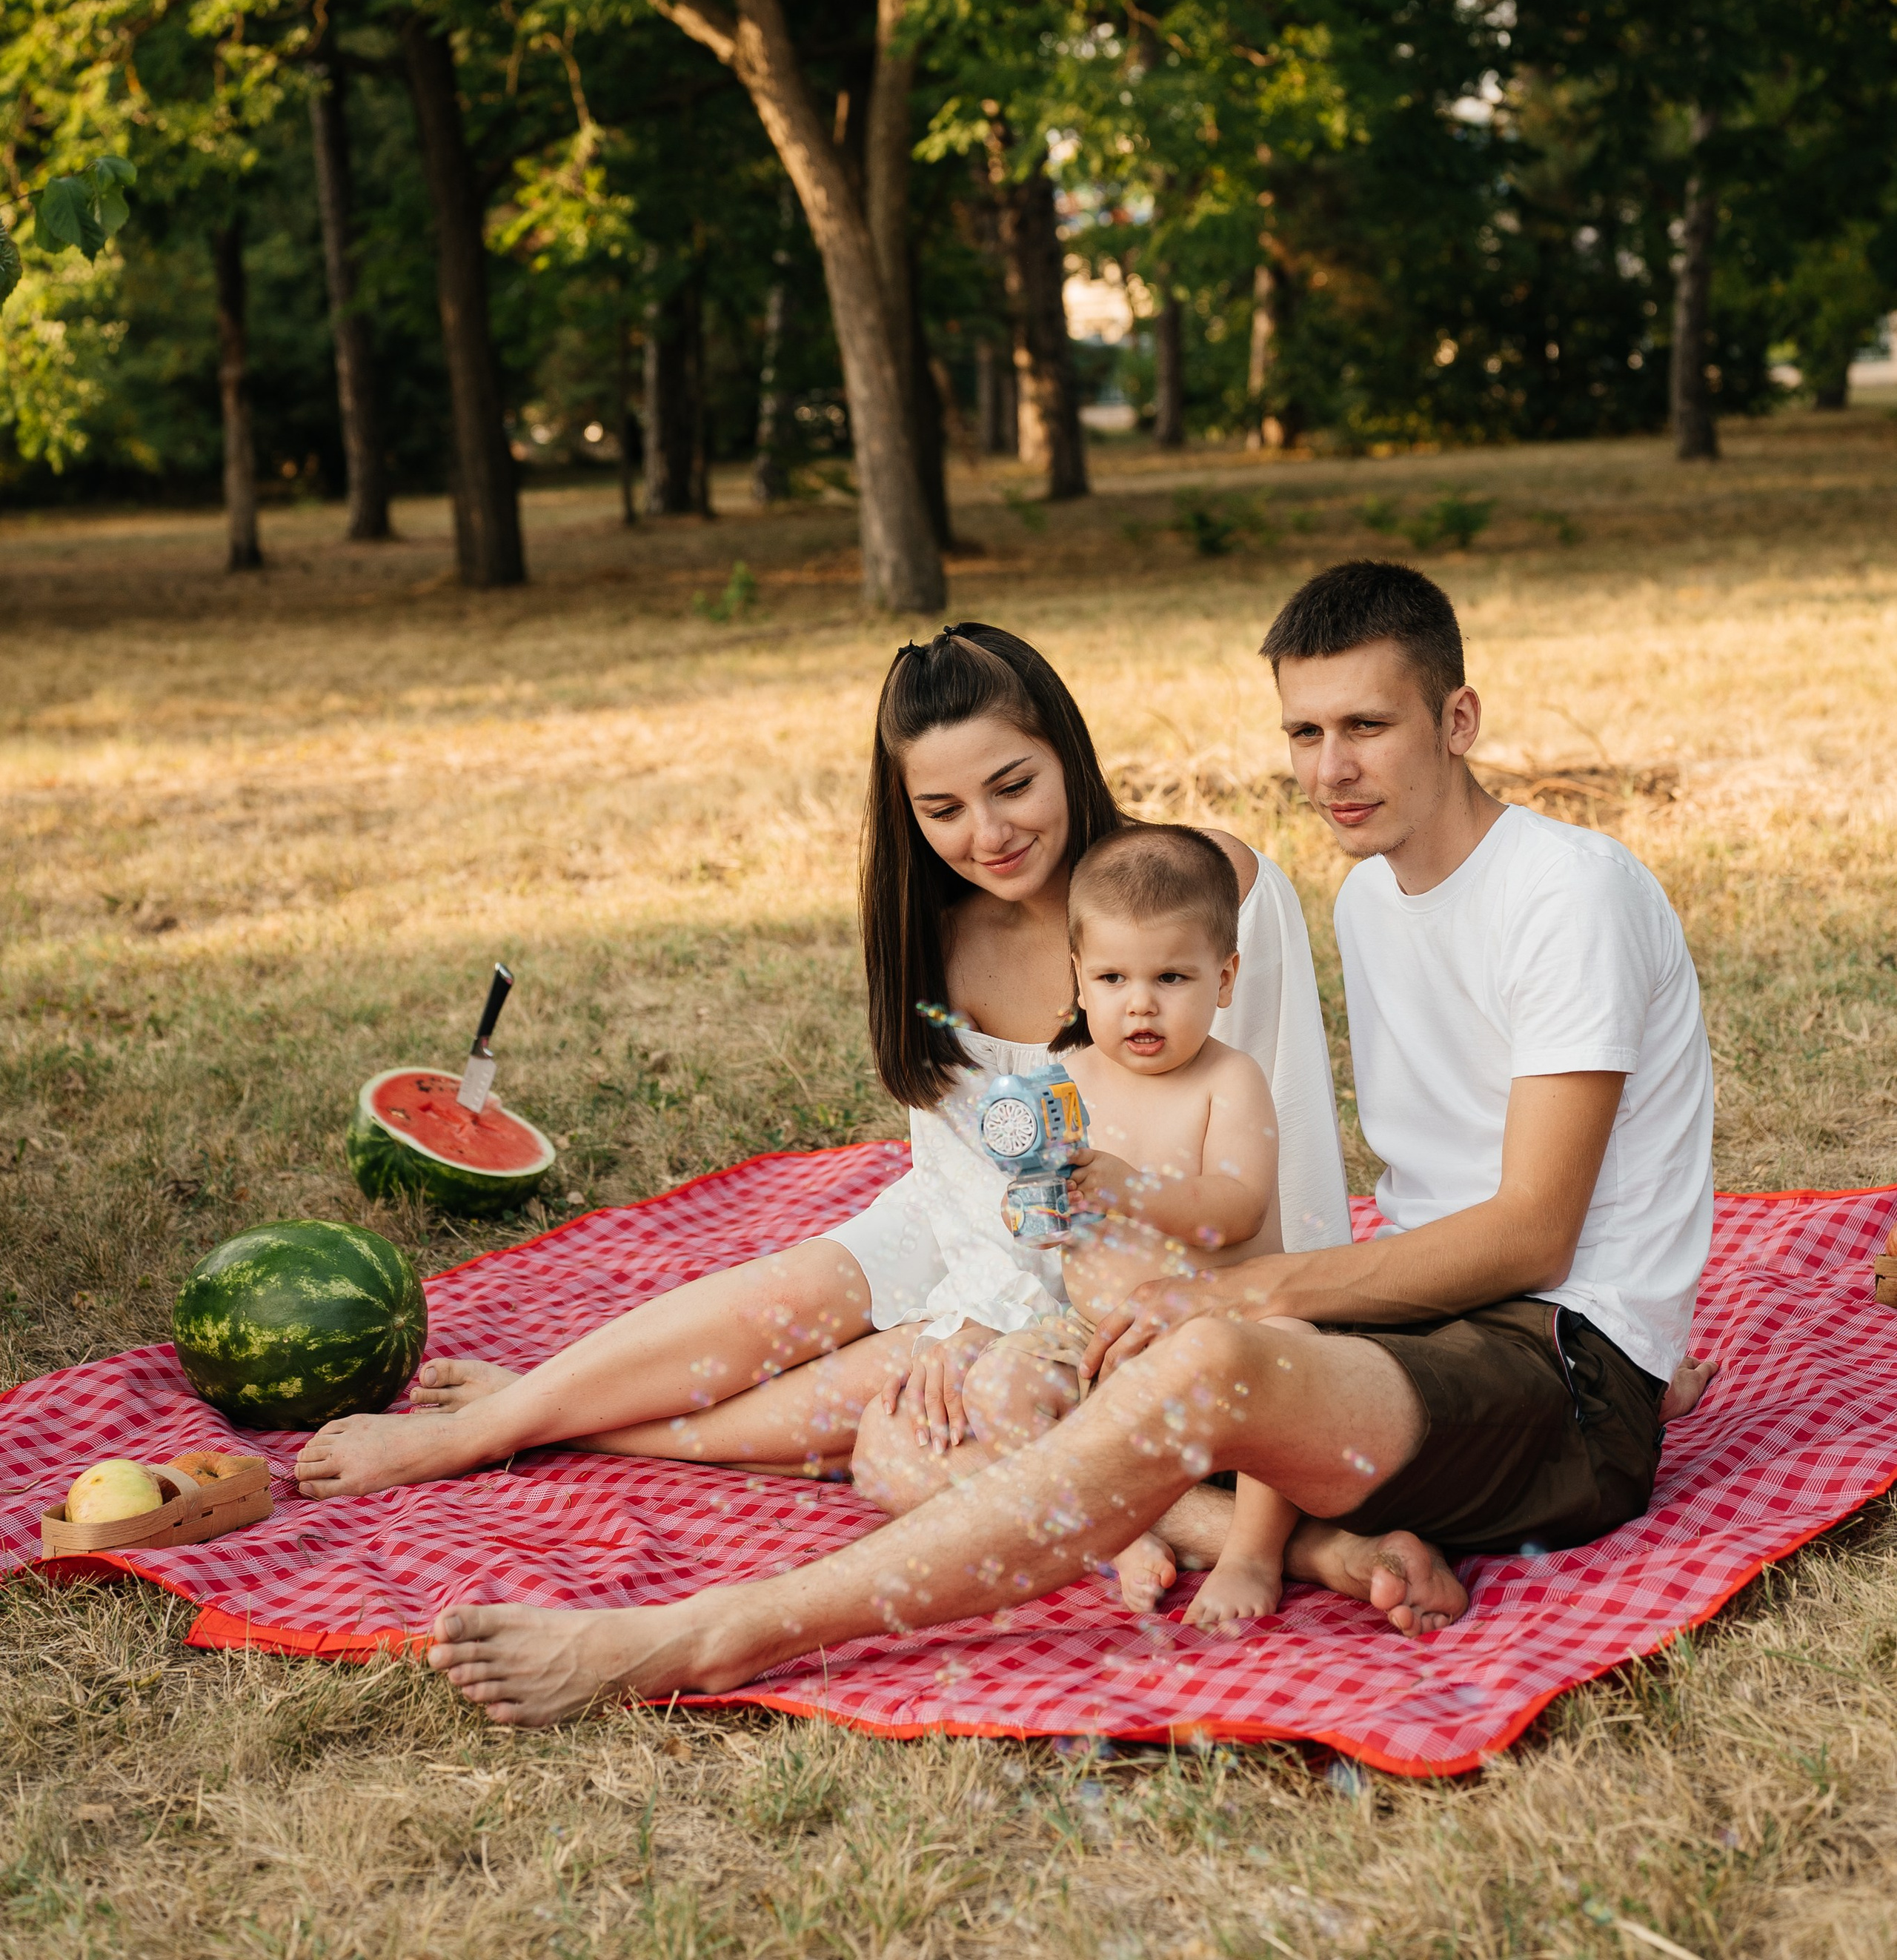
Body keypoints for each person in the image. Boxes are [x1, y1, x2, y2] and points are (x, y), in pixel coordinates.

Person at [420, 557, 1721, 1730]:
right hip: (1416, 1333)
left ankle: (699, 1635)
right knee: (920, 1425)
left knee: (1192, 1351)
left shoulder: (1569, 892)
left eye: (1368, 726)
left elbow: (1532, 1230)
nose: (1333, 768)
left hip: (1562, 1370)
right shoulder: (1376, 892)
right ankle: (1282, 1526)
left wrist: (1243, 1294)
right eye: (1306, 731)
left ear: (1459, 718)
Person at [292, 621, 1352, 1503]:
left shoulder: (1209, 894)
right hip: (974, 1220)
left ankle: (538, 1431)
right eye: (941, 810)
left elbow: (1282, 1156)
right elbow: (957, 1178)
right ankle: (527, 1408)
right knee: (787, 1292)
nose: (987, 834)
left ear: (1064, 752)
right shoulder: (945, 936)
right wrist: (975, 1296)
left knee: (899, 1383)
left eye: (1012, 785)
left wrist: (991, 1327)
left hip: (1137, 1266)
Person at [851, 821, 1299, 1630]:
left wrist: (1134, 1189)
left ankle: (1252, 1552)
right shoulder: (1068, 1078)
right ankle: (1116, 1528)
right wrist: (1038, 1204)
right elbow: (1036, 1197)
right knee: (999, 1387)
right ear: (1079, 983)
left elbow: (1239, 1207)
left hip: (1213, 1322)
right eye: (1113, 976)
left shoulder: (1228, 1080)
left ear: (1223, 977)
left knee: (1291, 1342)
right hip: (1095, 1331)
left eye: (1171, 975)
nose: (1141, 1002)